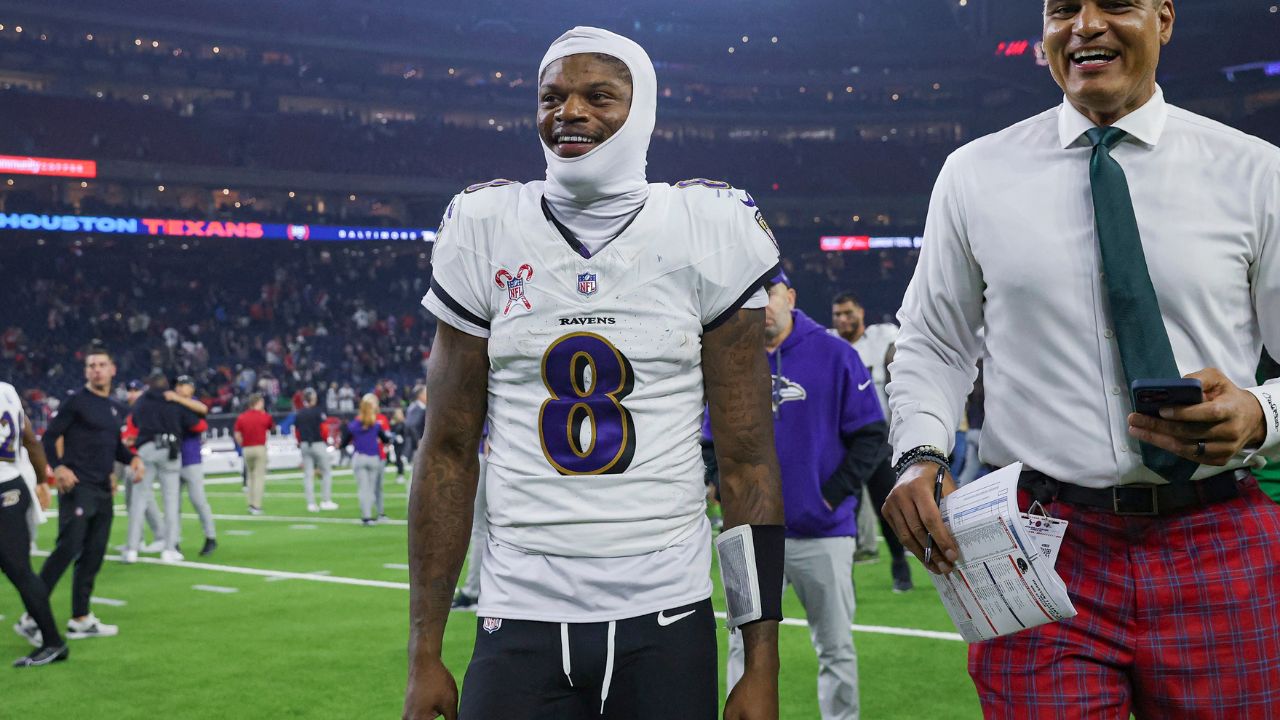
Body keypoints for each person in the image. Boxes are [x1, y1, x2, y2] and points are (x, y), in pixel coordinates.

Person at [882, 2, 1280, 717]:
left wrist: (1260, 412)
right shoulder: (975, 173)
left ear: (1163, 19)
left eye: (1114, 4)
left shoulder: (1255, 172)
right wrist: (919, 451)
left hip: (1215, 535)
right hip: (1037, 537)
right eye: (1063, 8)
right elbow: (935, 341)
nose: (1084, 25)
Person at [404, 27, 785, 720]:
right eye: (552, 97)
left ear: (641, 110)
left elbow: (747, 465)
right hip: (518, 610)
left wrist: (759, 663)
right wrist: (424, 652)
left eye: (597, 96)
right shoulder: (485, 224)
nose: (569, 112)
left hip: (665, 609)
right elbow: (449, 450)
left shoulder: (707, 225)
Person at [724, 271, 886, 720]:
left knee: (835, 648)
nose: (765, 306)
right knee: (740, 650)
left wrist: (830, 496)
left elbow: (871, 435)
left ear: (791, 297)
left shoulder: (835, 354)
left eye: (771, 295)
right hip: (750, 538)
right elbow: (708, 438)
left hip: (823, 532)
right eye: (753, 298)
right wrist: (723, 488)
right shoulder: (732, 357)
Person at [27, 349, 142, 640]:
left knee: (93, 554)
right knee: (67, 549)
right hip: (78, 488)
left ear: (113, 369)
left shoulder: (114, 408)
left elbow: (114, 446)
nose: (97, 370)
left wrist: (132, 460)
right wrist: (59, 467)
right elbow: (50, 437)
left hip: (103, 490)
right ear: (86, 371)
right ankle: (31, 616)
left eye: (102, 365)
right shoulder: (76, 402)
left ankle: (81, 618)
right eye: (92, 366)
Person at [830, 292, 912, 591]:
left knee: (887, 506)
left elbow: (900, 347)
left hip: (876, 441)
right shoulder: (830, 346)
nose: (842, 319)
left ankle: (900, 566)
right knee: (843, 513)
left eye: (848, 313)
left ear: (861, 312)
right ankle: (843, 577)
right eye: (837, 314)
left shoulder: (882, 337)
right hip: (842, 445)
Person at [0, 381, 68, 667]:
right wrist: (41, 480)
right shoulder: (7, 390)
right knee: (18, 568)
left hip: (4, 488)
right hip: (13, 484)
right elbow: (30, 438)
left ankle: (53, 641)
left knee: (19, 569)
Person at [126, 371, 203, 563]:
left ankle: (132, 549)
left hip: (145, 450)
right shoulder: (173, 400)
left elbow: (134, 421)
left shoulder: (142, 401)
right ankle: (169, 549)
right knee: (170, 501)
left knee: (139, 500)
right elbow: (196, 424)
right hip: (169, 450)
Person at [173, 376, 217, 556]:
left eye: (184, 386)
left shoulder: (192, 405)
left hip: (191, 457)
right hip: (173, 458)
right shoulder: (173, 405)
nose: (180, 388)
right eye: (178, 385)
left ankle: (211, 537)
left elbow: (203, 414)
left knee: (198, 500)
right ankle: (173, 541)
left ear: (191, 389)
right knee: (173, 504)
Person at [341, 394, 391, 526]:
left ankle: (367, 516)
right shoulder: (376, 424)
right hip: (374, 457)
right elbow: (386, 439)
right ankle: (377, 513)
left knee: (364, 489)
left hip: (360, 457)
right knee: (373, 488)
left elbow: (344, 442)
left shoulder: (354, 424)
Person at [294, 388, 337, 512]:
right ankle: (326, 500)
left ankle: (311, 504)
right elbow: (323, 428)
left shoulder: (299, 413)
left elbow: (296, 431)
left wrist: (299, 442)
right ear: (312, 399)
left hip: (304, 444)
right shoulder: (318, 412)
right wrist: (327, 441)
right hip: (318, 443)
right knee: (326, 472)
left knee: (308, 475)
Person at [233, 393, 273, 515]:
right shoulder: (264, 416)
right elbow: (270, 427)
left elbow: (237, 434)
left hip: (247, 448)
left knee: (250, 477)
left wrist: (243, 444)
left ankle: (250, 503)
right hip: (260, 447)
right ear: (258, 403)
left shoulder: (242, 417)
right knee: (259, 477)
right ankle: (256, 505)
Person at [404, 385, 428, 468]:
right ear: (420, 395)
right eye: (426, 393)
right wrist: (418, 440)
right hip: (418, 446)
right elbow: (411, 425)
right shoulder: (417, 408)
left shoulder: (419, 407)